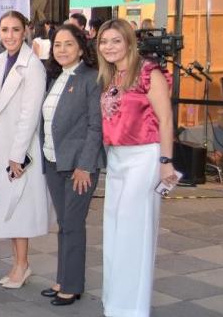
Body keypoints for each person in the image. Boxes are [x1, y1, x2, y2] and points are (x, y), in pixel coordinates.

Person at [96, 19, 177, 317]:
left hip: (145, 157)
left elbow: (166, 119)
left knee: (135, 233)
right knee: (115, 231)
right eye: (104, 42)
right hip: (117, 159)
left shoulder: (148, 72)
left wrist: (166, 162)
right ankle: (116, 301)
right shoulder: (112, 76)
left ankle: (133, 307)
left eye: (116, 41)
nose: (109, 47)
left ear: (129, 41)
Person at [39, 24, 104, 307]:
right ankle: (63, 278)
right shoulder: (57, 76)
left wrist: (85, 166)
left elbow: (95, 126)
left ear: (80, 47)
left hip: (78, 166)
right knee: (64, 224)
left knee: (74, 225)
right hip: (54, 161)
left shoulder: (91, 78)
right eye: (57, 45)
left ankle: (73, 285)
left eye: (68, 44)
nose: (61, 49)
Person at [0, 11, 49, 289]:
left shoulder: (32, 66)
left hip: (20, 149)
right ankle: (16, 262)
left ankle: (22, 264)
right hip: (2, 146)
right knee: (9, 207)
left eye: (15, 30)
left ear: (25, 31)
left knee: (20, 207)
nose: (9, 35)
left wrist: (17, 154)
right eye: (4, 30)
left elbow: (30, 113)